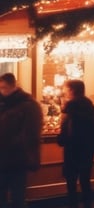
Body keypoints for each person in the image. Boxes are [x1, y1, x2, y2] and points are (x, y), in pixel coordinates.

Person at [0, 73, 43, 208]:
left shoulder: (28, 105)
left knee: (17, 195)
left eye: (4, 87)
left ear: (13, 86)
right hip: (5, 157)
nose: (2, 91)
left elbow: (30, 135)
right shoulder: (5, 104)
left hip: (17, 158)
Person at [57, 80, 94, 208]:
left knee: (71, 182)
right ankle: (88, 204)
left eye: (65, 89)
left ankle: (73, 205)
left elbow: (64, 130)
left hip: (73, 149)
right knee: (85, 180)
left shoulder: (69, 108)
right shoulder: (91, 108)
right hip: (87, 149)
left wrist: (61, 139)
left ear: (72, 90)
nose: (63, 91)